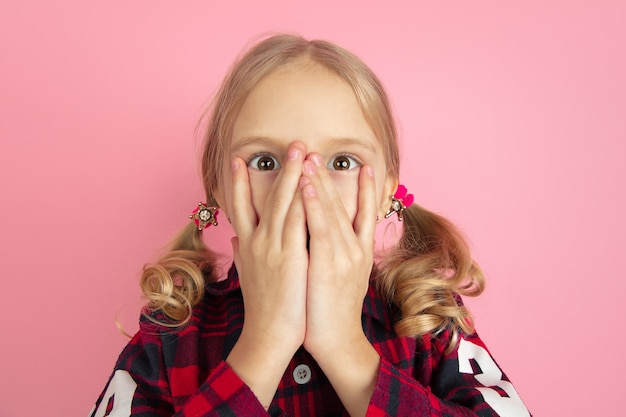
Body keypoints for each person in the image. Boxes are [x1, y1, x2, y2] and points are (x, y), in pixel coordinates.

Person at [89, 34, 531, 417]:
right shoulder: (171, 333)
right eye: (266, 161)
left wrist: (344, 347)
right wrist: (266, 340)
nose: (303, 186)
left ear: (385, 193)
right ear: (221, 189)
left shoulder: (429, 321)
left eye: (341, 161)